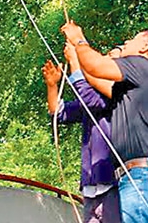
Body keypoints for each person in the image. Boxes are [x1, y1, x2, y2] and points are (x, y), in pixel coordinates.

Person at [60, 22, 148, 223]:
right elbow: (95, 77)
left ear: (144, 47)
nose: (124, 44)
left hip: (145, 179)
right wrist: (76, 57)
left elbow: (96, 66)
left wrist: (79, 39)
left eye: (130, 40)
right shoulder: (137, 82)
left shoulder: (142, 65)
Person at [42, 43, 121, 223]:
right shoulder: (93, 98)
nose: (104, 59)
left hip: (113, 183)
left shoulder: (118, 94)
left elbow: (88, 97)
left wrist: (76, 60)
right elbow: (58, 113)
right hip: (90, 186)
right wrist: (52, 86)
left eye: (111, 56)